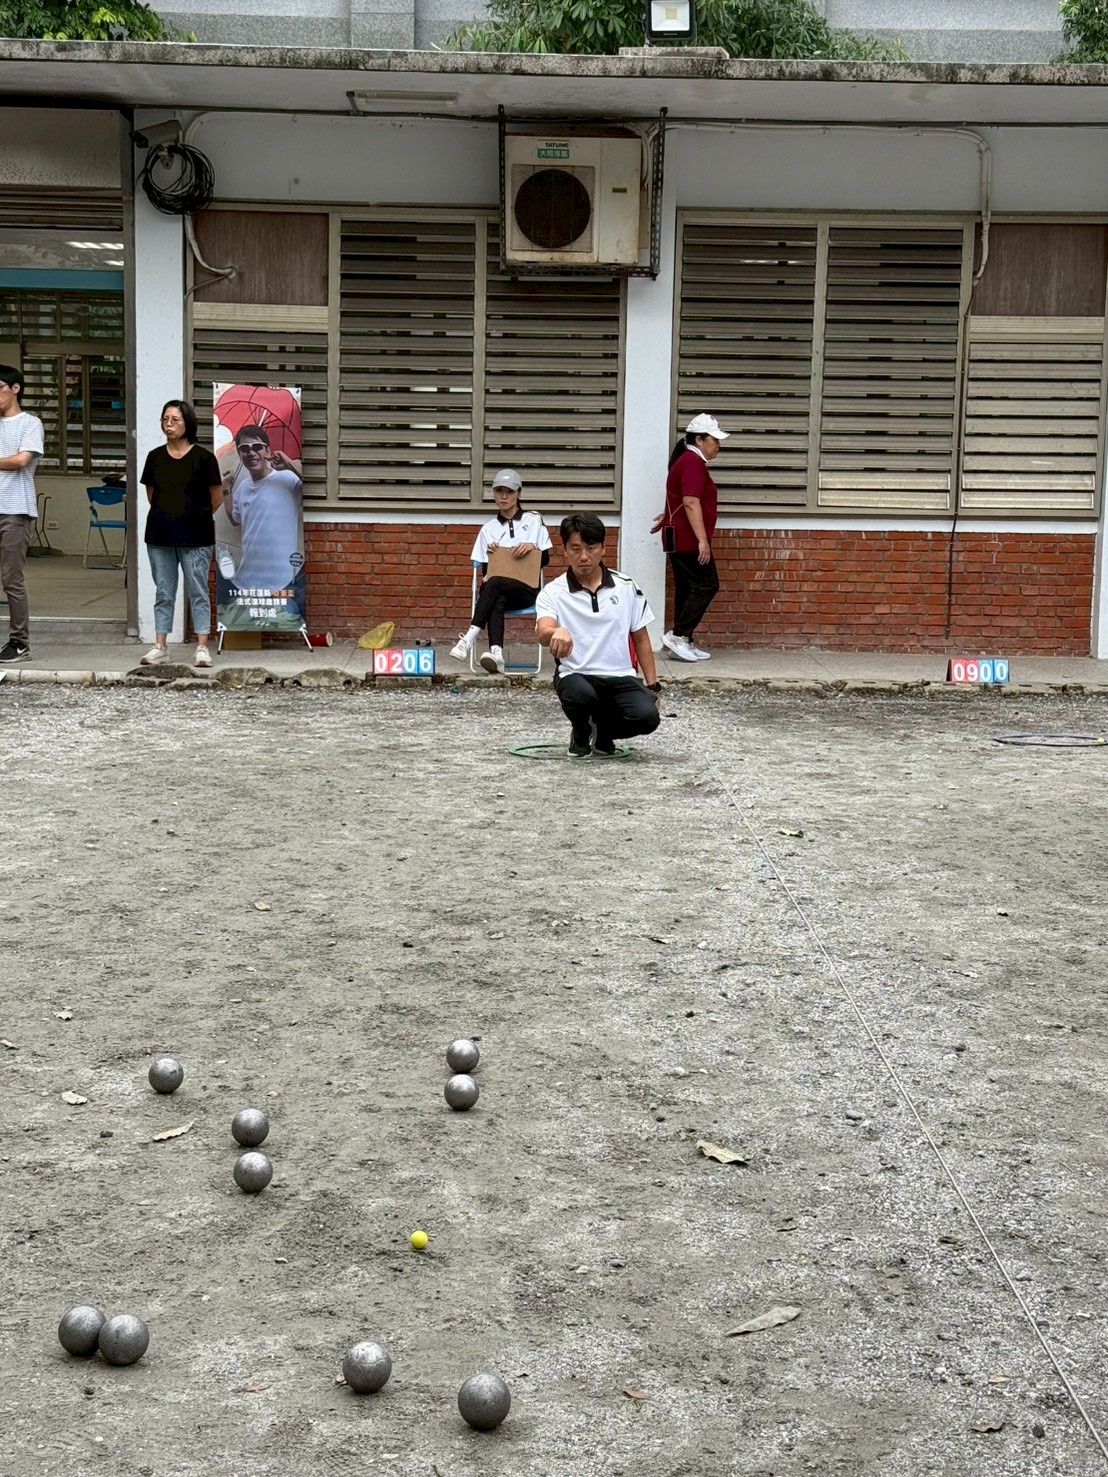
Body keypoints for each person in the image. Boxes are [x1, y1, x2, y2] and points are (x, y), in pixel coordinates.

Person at [536, 512, 662, 758]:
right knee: (580, 695)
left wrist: (653, 686)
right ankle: (581, 730)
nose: (584, 556)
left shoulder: (627, 587)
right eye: (576, 549)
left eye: (591, 547)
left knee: (648, 717)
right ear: (565, 550)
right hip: (576, 674)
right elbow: (543, 632)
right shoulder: (553, 592)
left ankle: (603, 731)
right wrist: (555, 632)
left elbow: (641, 638)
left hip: (620, 676)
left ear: (604, 548)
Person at [140, 400, 222, 667]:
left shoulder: (205, 458)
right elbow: (152, 495)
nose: (169, 424)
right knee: (164, 591)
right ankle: (160, 645)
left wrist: (192, 514)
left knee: (198, 590)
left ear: (188, 423)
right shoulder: (155, 457)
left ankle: (201, 646)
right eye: (165, 419)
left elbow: (216, 498)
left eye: (175, 419)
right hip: (160, 534)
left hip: (197, 536)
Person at [450, 468, 552, 674]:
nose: (504, 496)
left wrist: (533, 547)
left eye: (509, 491)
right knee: (495, 592)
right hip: (500, 591)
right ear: (494, 494)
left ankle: (469, 638)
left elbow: (546, 560)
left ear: (519, 494)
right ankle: (496, 654)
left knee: (493, 585)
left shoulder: (534, 521)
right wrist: (491, 556)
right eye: (499, 491)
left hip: (527, 591)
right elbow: (486, 571)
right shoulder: (488, 529)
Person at [652, 412, 729, 662]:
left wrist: (666, 517)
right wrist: (702, 540)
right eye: (714, 440)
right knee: (708, 585)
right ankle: (679, 635)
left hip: (680, 536)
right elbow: (690, 501)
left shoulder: (686, 461)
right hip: (687, 539)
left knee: (687, 589)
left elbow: (677, 497)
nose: (718, 445)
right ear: (699, 440)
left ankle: (683, 639)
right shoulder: (692, 464)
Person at [221, 425, 305, 616]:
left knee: (289, 619)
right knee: (238, 622)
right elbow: (234, 519)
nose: (251, 452)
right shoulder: (242, 487)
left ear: (268, 450)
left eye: (257, 447)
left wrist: (289, 463)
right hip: (247, 581)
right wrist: (226, 490)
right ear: (240, 454)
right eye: (244, 449)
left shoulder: (288, 480)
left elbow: (315, 485)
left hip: (283, 583)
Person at [0, 364, 45, 664]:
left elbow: (21, 460)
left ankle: (19, 642)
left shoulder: (31, 423)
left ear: (15, 388)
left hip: (14, 510)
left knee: (11, 579)